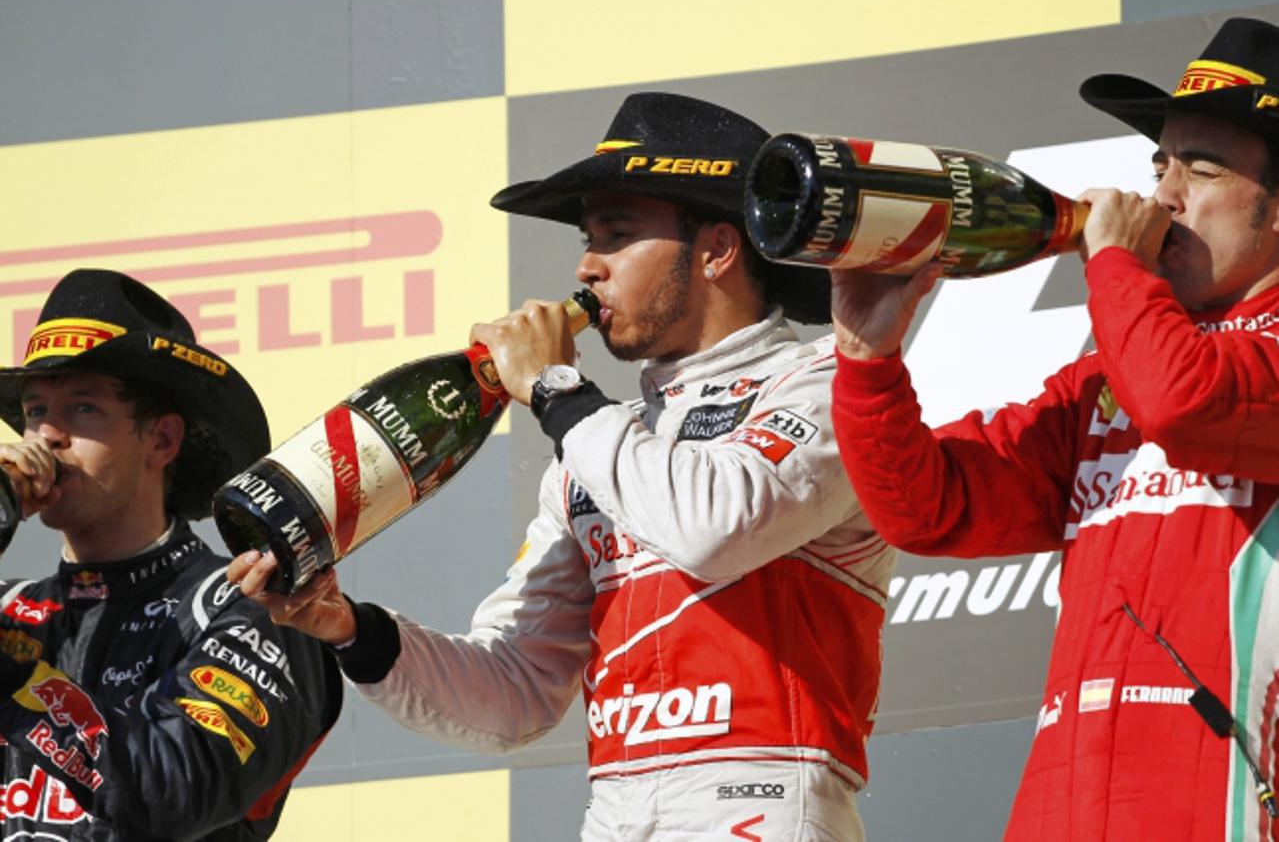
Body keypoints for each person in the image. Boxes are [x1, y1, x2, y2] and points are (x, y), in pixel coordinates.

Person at [231, 92, 893, 840]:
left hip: (760, 799)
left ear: (716, 249)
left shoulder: (826, 382)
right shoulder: (593, 446)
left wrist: (557, 392)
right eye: (588, 239)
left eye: (617, 235)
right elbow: (513, 692)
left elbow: (714, 528)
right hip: (614, 814)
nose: (586, 266)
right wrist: (351, 628)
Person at [828, 17, 1279, 842]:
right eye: (1159, 165)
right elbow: (929, 506)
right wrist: (869, 359)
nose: (1162, 196)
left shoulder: (1173, 367)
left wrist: (1115, 265)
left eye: (1202, 167)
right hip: (1060, 810)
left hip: (1227, 810)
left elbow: (1183, 403)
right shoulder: (1105, 382)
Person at [0, 269, 343, 839]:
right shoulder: (11, 611)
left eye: (82, 409)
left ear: (161, 440)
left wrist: (14, 683)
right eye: (36, 411)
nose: (47, 436)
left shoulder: (252, 606)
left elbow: (170, 794)